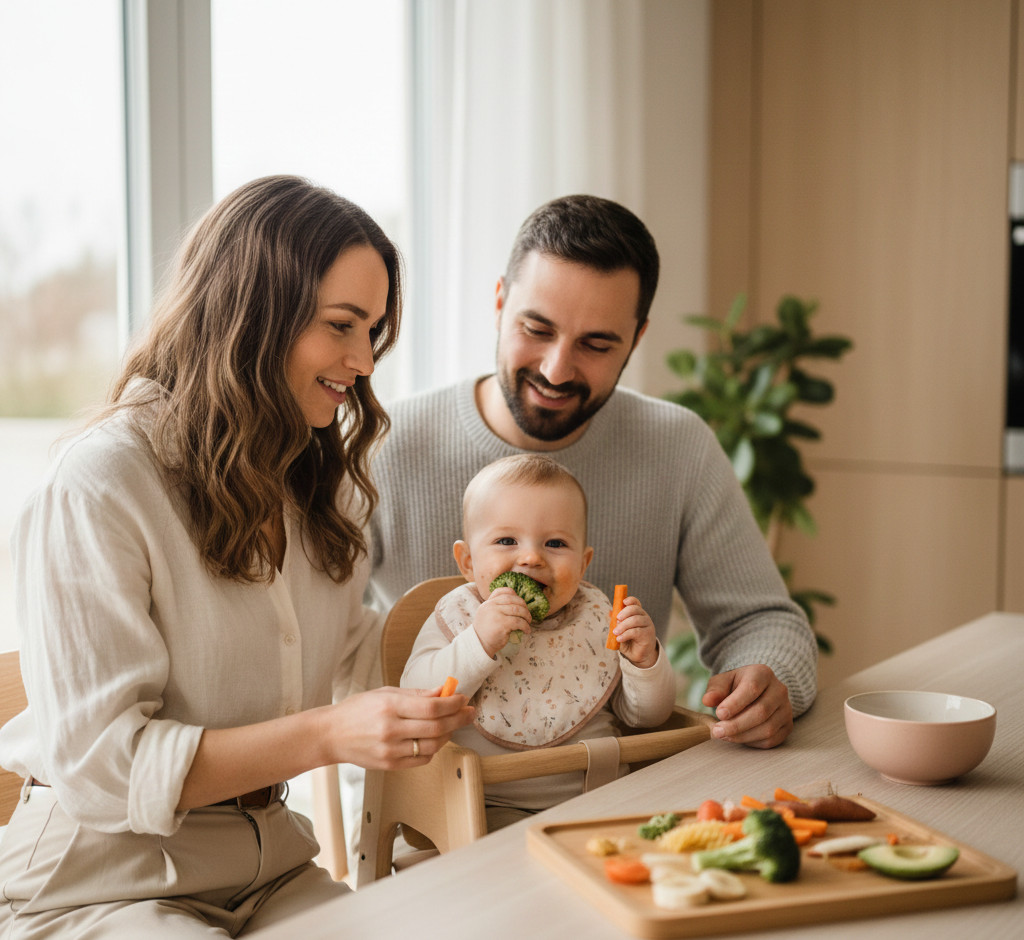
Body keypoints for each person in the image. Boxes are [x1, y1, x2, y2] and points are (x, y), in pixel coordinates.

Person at [0, 175, 473, 937]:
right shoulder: (102, 482)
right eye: (341, 326)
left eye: (373, 331)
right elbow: (103, 767)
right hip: (99, 880)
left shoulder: (319, 487)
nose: (363, 361)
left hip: (269, 866)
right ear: (254, 316)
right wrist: (327, 734)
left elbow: (357, 668)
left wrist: (484, 640)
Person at [369, 194, 818, 750]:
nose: (557, 369)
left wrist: (769, 678)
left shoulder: (679, 447)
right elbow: (318, 649)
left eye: (597, 344)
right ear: (499, 302)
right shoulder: (386, 443)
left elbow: (764, 621)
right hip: (441, 800)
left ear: (637, 338)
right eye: (536, 328)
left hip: (616, 794)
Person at [401, 454, 677, 829]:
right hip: (487, 805)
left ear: (583, 563)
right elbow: (416, 697)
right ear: (467, 561)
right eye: (506, 540)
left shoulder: (596, 617)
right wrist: (477, 643)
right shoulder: (461, 616)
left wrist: (645, 662)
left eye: (556, 543)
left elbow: (648, 717)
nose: (531, 557)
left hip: (603, 794)